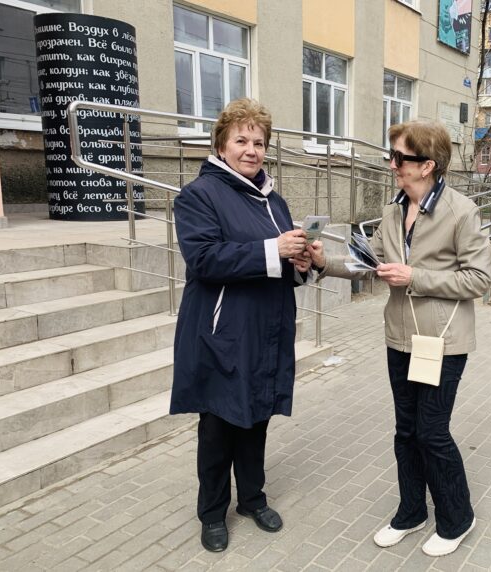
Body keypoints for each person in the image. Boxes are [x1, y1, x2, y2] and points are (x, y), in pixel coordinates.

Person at [307, 120, 491, 557]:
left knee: (432, 433)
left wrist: (415, 276)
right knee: (406, 431)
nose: (391, 164)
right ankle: (411, 512)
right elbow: (366, 262)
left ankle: (457, 517)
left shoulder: (461, 211)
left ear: (427, 165)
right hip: (400, 339)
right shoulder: (393, 211)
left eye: (399, 157)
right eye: (391, 155)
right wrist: (322, 261)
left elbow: (479, 279)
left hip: (442, 342)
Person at [170, 98, 312, 552]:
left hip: (266, 329)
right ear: (221, 145)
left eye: (259, 142)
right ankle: (213, 513)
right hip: (223, 333)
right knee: (218, 427)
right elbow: (204, 259)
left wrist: (301, 264)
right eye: (241, 140)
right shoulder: (199, 195)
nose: (252, 150)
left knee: (256, 419)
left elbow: (281, 262)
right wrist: (274, 249)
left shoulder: (274, 200)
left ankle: (252, 499)